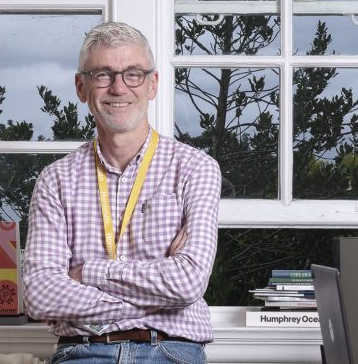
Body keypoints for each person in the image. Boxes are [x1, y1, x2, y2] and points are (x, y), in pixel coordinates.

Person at [23, 21, 221, 363]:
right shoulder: (55, 180)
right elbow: (40, 293)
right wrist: (153, 299)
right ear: (81, 87)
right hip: (84, 350)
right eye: (103, 74)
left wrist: (87, 273)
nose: (118, 88)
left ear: (152, 84)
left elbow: (189, 283)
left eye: (133, 74)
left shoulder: (195, 168)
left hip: (172, 349)